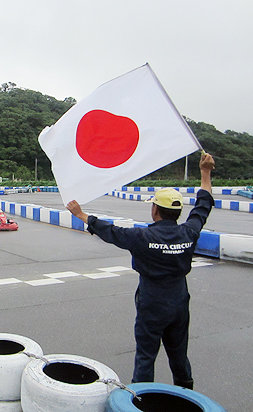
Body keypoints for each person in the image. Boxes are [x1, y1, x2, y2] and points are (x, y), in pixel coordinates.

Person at [66, 152, 215, 389]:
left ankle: (141, 398)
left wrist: (81, 215)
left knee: (146, 356)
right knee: (178, 354)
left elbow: (111, 231)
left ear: (155, 210)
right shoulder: (189, 232)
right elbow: (203, 207)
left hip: (151, 302)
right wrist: (205, 172)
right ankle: (187, 395)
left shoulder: (142, 237)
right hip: (179, 301)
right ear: (176, 213)